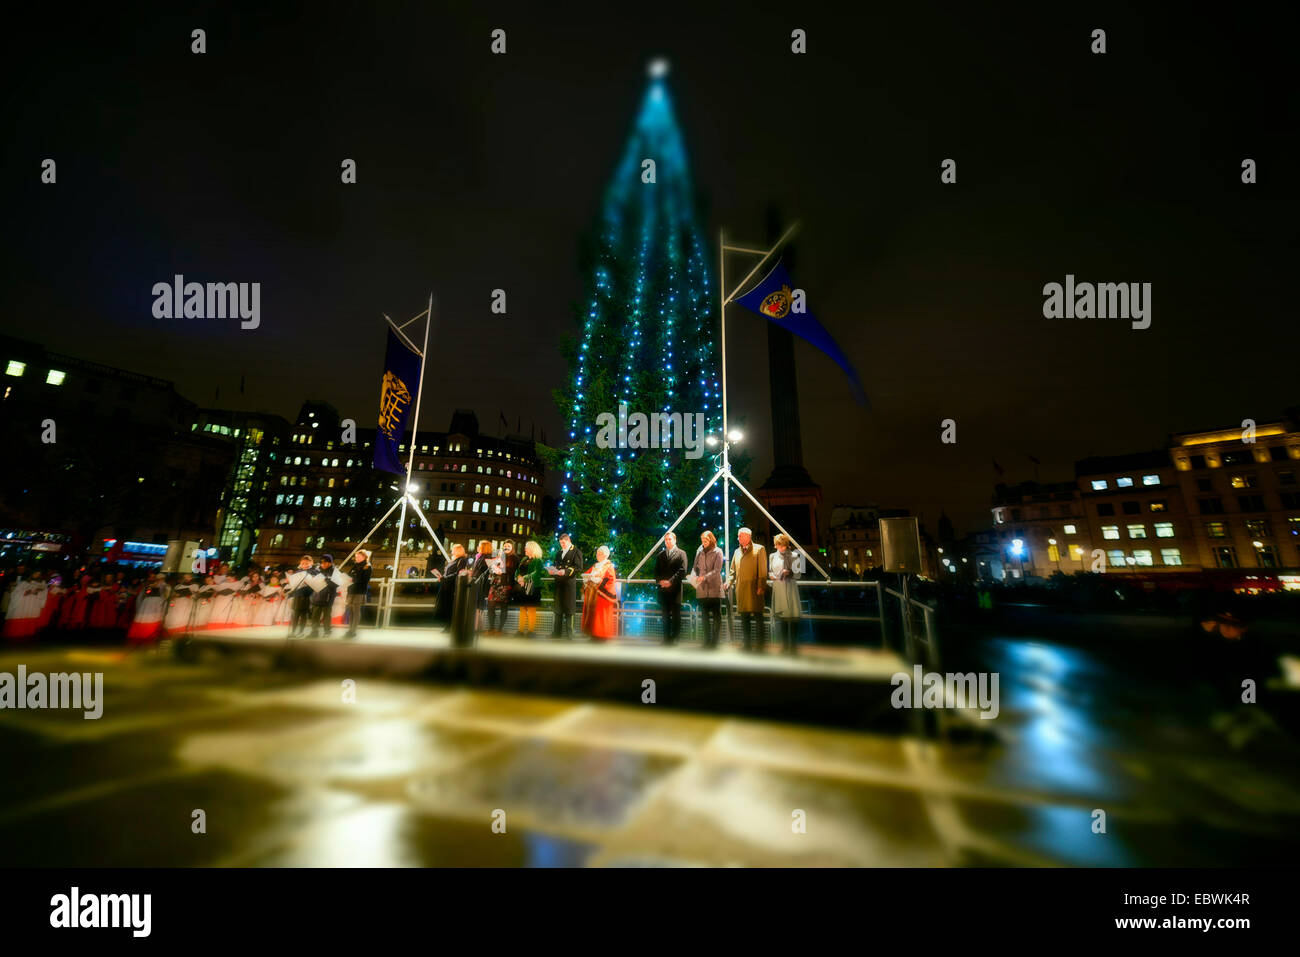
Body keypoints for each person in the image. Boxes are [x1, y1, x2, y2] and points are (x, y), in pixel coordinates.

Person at [727, 527, 768, 652]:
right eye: (738, 536)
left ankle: (761, 645)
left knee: (758, 617)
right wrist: (729, 581)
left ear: (748, 536)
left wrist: (761, 585)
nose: (738, 538)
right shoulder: (736, 551)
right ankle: (747, 644)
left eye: (740, 536)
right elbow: (732, 570)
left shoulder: (759, 549)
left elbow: (762, 570)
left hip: (754, 588)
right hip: (742, 589)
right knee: (744, 618)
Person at [768, 534, 803, 655]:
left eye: (782, 545)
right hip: (779, 588)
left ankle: (793, 646)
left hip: (790, 588)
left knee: (792, 618)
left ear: (786, 545)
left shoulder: (794, 555)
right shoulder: (772, 556)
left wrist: (790, 572)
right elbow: (770, 571)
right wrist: (771, 575)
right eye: (778, 545)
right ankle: (784, 645)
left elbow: (799, 574)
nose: (780, 548)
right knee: (782, 619)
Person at [654, 531, 689, 645]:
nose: (668, 541)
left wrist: (670, 582)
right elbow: (656, 571)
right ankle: (666, 638)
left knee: (676, 616)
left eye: (670, 539)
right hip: (663, 590)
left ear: (675, 540)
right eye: (666, 539)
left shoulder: (681, 553)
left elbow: (682, 571)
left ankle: (675, 639)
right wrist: (660, 581)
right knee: (665, 616)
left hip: (675, 590)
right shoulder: (660, 555)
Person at [692, 530, 724, 649]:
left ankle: (715, 641)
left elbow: (717, 570)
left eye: (705, 540)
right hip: (702, 588)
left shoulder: (718, 551)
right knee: (704, 615)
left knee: (716, 615)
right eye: (702, 541)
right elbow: (695, 567)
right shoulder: (699, 551)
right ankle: (706, 640)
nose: (703, 543)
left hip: (714, 588)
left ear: (711, 540)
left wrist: (704, 577)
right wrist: (693, 576)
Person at [582, 545, 619, 641]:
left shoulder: (609, 566)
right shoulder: (595, 565)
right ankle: (593, 634)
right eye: (597, 553)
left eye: (600, 554)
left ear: (605, 555)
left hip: (601, 595)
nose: (597, 555)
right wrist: (587, 578)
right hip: (592, 594)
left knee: (600, 615)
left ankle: (602, 635)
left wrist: (598, 582)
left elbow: (610, 580)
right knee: (593, 615)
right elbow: (587, 573)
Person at [549, 533, 583, 638]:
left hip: (569, 583)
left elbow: (578, 567)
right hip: (559, 583)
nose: (562, 545)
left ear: (569, 541)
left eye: (563, 543)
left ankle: (570, 635)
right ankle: (556, 633)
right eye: (560, 543)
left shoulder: (576, 551)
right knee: (558, 609)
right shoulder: (559, 553)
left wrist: (566, 571)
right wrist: (552, 570)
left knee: (569, 609)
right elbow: (556, 564)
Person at [126, 572, 170, 645]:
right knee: (146, 617)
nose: (158, 580)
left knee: (155, 617)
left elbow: (166, 596)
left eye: (160, 579)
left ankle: (154, 633)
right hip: (148, 603)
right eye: (157, 579)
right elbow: (145, 593)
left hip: (158, 603)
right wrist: (150, 588)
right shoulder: (150, 585)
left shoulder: (166, 586)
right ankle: (144, 633)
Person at [485, 540, 518, 635]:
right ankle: (491, 628)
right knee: (490, 605)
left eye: (509, 545)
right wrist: (494, 568)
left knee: (504, 607)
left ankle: (500, 629)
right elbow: (491, 568)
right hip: (495, 583)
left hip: (505, 584)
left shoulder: (514, 558)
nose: (506, 547)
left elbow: (513, 571)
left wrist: (502, 570)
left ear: (512, 548)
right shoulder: (499, 556)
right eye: (505, 545)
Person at [514, 541, 546, 635]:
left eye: (526, 548)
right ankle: (520, 630)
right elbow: (517, 570)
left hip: (533, 587)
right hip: (522, 587)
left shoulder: (538, 560)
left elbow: (536, 573)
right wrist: (518, 578)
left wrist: (524, 578)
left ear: (532, 549)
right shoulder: (524, 559)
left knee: (531, 608)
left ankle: (531, 631)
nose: (525, 549)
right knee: (522, 608)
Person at [434, 545, 469, 629]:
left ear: (458, 550)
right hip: (446, 585)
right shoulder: (454, 560)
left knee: (450, 606)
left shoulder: (462, 560)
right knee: (446, 605)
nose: (451, 550)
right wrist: (442, 577)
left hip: (452, 586)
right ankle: (447, 625)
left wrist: (444, 578)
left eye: (453, 549)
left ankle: (450, 626)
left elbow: (457, 573)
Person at [287, 555, 318, 637]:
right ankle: (293, 632)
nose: (304, 565)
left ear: (311, 563)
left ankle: (301, 631)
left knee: (303, 614)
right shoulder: (298, 572)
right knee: (295, 614)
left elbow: (317, 583)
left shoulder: (314, 571)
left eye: (307, 563)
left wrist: (310, 581)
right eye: (303, 563)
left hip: (307, 595)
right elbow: (293, 582)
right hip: (297, 594)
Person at [309, 555, 339, 638]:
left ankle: (327, 631)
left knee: (327, 615)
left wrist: (328, 581)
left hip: (328, 596)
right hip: (317, 595)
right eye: (321, 562)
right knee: (315, 614)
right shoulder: (317, 570)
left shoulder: (335, 572)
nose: (323, 564)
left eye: (325, 562)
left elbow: (336, 584)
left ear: (330, 563)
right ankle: (314, 631)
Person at [345, 551, 371, 638]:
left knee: (356, 611)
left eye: (359, 557)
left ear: (365, 557)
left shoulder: (367, 567)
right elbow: (349, 575)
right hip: (351, 591)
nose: (357, 558)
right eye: (356, 557)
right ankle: (350, 630)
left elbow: (364, 580)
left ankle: (353, 631)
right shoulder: (355, 566)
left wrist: (353, 579)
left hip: (359, 591)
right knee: (351, 611)